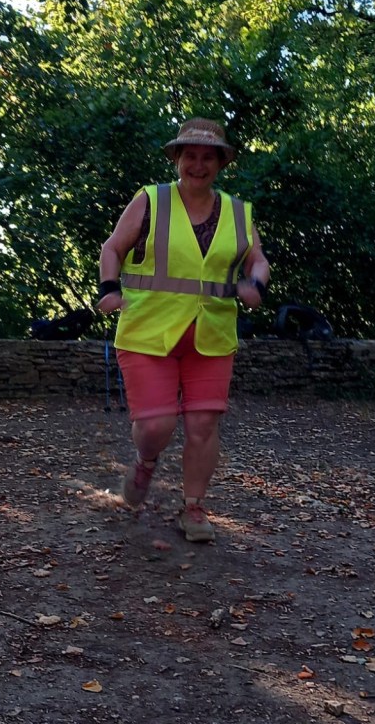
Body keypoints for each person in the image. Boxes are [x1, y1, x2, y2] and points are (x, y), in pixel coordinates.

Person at [97, 117, 269, 542]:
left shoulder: (238, 212)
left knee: (203, 425)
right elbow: (112, 248)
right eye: (190, 155)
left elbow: (258, 260)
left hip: (211, 334)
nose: (198, 164)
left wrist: (256, 284)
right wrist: (109, 289)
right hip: (147, 330)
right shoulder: (151, 200)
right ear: (176, 159)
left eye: (208, 157)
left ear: (221, 163)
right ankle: (145, 461)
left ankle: (193, 507)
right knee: (156, 426)